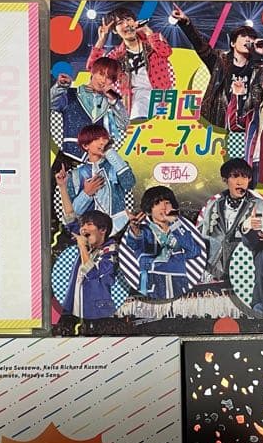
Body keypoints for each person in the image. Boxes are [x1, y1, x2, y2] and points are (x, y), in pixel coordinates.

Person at [170, 3, 263, 128]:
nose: (248, 40)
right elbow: (200, 45)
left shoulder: (258, 68)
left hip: (245, 125)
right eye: (243, 36)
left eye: (251, 37)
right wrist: (186, 23)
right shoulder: (219, 61)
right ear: (233, 43)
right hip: (217, 122)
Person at [118, 186, 207, 299]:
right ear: (149, 209)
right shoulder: (144, 231)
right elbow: (134, 243)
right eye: (157, 203)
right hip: (153, 281)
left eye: (167, 202)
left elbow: (195, 252)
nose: (163, 207)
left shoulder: (179, 230)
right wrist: (135, 229)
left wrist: (175, 223)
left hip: (179, 282)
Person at [87, 7, 175, 121]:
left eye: (128, 19)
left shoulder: (153, 40)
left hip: (161, 94)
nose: (126, 25)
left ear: (135, 22)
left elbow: (166, 52)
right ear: (115, 30)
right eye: (120, 23)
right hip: (136, 99)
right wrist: (102, 40)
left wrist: (148, 33)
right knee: (138, 115)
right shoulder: (116, 55)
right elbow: (93, 69)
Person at [56, 168, 119, 320]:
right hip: (75, 306)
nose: (83, 228)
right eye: (83, 225)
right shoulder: (89, 244)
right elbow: (70, 217)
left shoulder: (111, 251)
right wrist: (62, 187)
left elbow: (93, 274)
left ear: (102, 230)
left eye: (89, 224)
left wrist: (82, 247)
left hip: (97, 313)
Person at [196, 158, 263, 282]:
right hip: (214, 271)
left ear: (249, 179)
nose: (240, 182)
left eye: (244, 177)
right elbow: (201, 236)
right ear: (225, 180)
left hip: (246, 271)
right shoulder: (212, 204)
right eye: (235, 176)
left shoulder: (262, 206)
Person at [50, 57, 130, 161]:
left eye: (109, 78)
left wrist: (114, 101)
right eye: (101, 74)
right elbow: (50, 103)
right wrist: (60, 87)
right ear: (92, 71)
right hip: (70, 157)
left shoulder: (111, 102)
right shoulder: (70, 94)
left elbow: (124, 125)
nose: (103, 80)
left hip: (98, 161)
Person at [64, 124, 136, 233]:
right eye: (97, 139)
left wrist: (110, 153)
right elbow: (73, 213)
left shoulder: (116, 165)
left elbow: (129, 183)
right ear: (85, 146)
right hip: (91, 232)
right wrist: (86, 194)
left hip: (118, 227)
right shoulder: (75, 175)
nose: (102, 142)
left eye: (104, 138)